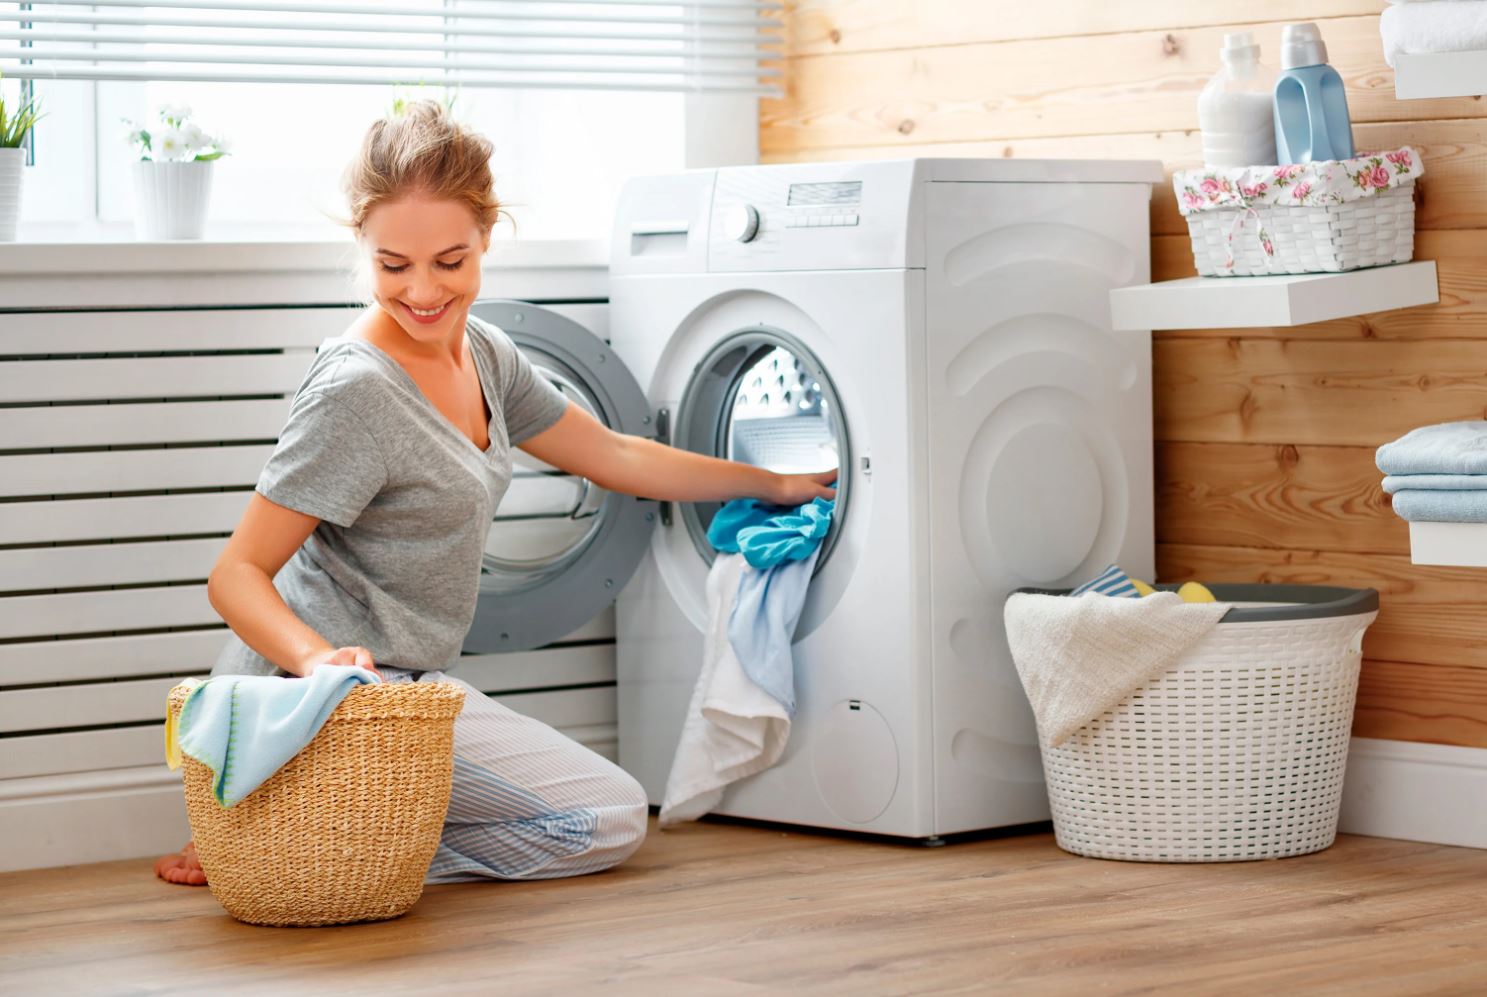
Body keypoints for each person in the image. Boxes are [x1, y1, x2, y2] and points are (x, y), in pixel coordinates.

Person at [155, 101, 835, 887]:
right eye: (391, 264)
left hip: (409, 694)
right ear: (362, 250)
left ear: (486, 236)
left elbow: (612, 453)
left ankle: (308, 849)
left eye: (449, 260)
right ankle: (297, 847)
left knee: (602, 814)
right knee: (608, 818)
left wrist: (774, 481)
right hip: (318, 698)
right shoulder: (354, 390)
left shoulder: (485, 353)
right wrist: (318, 662)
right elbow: (234, 574)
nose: (420, 291)